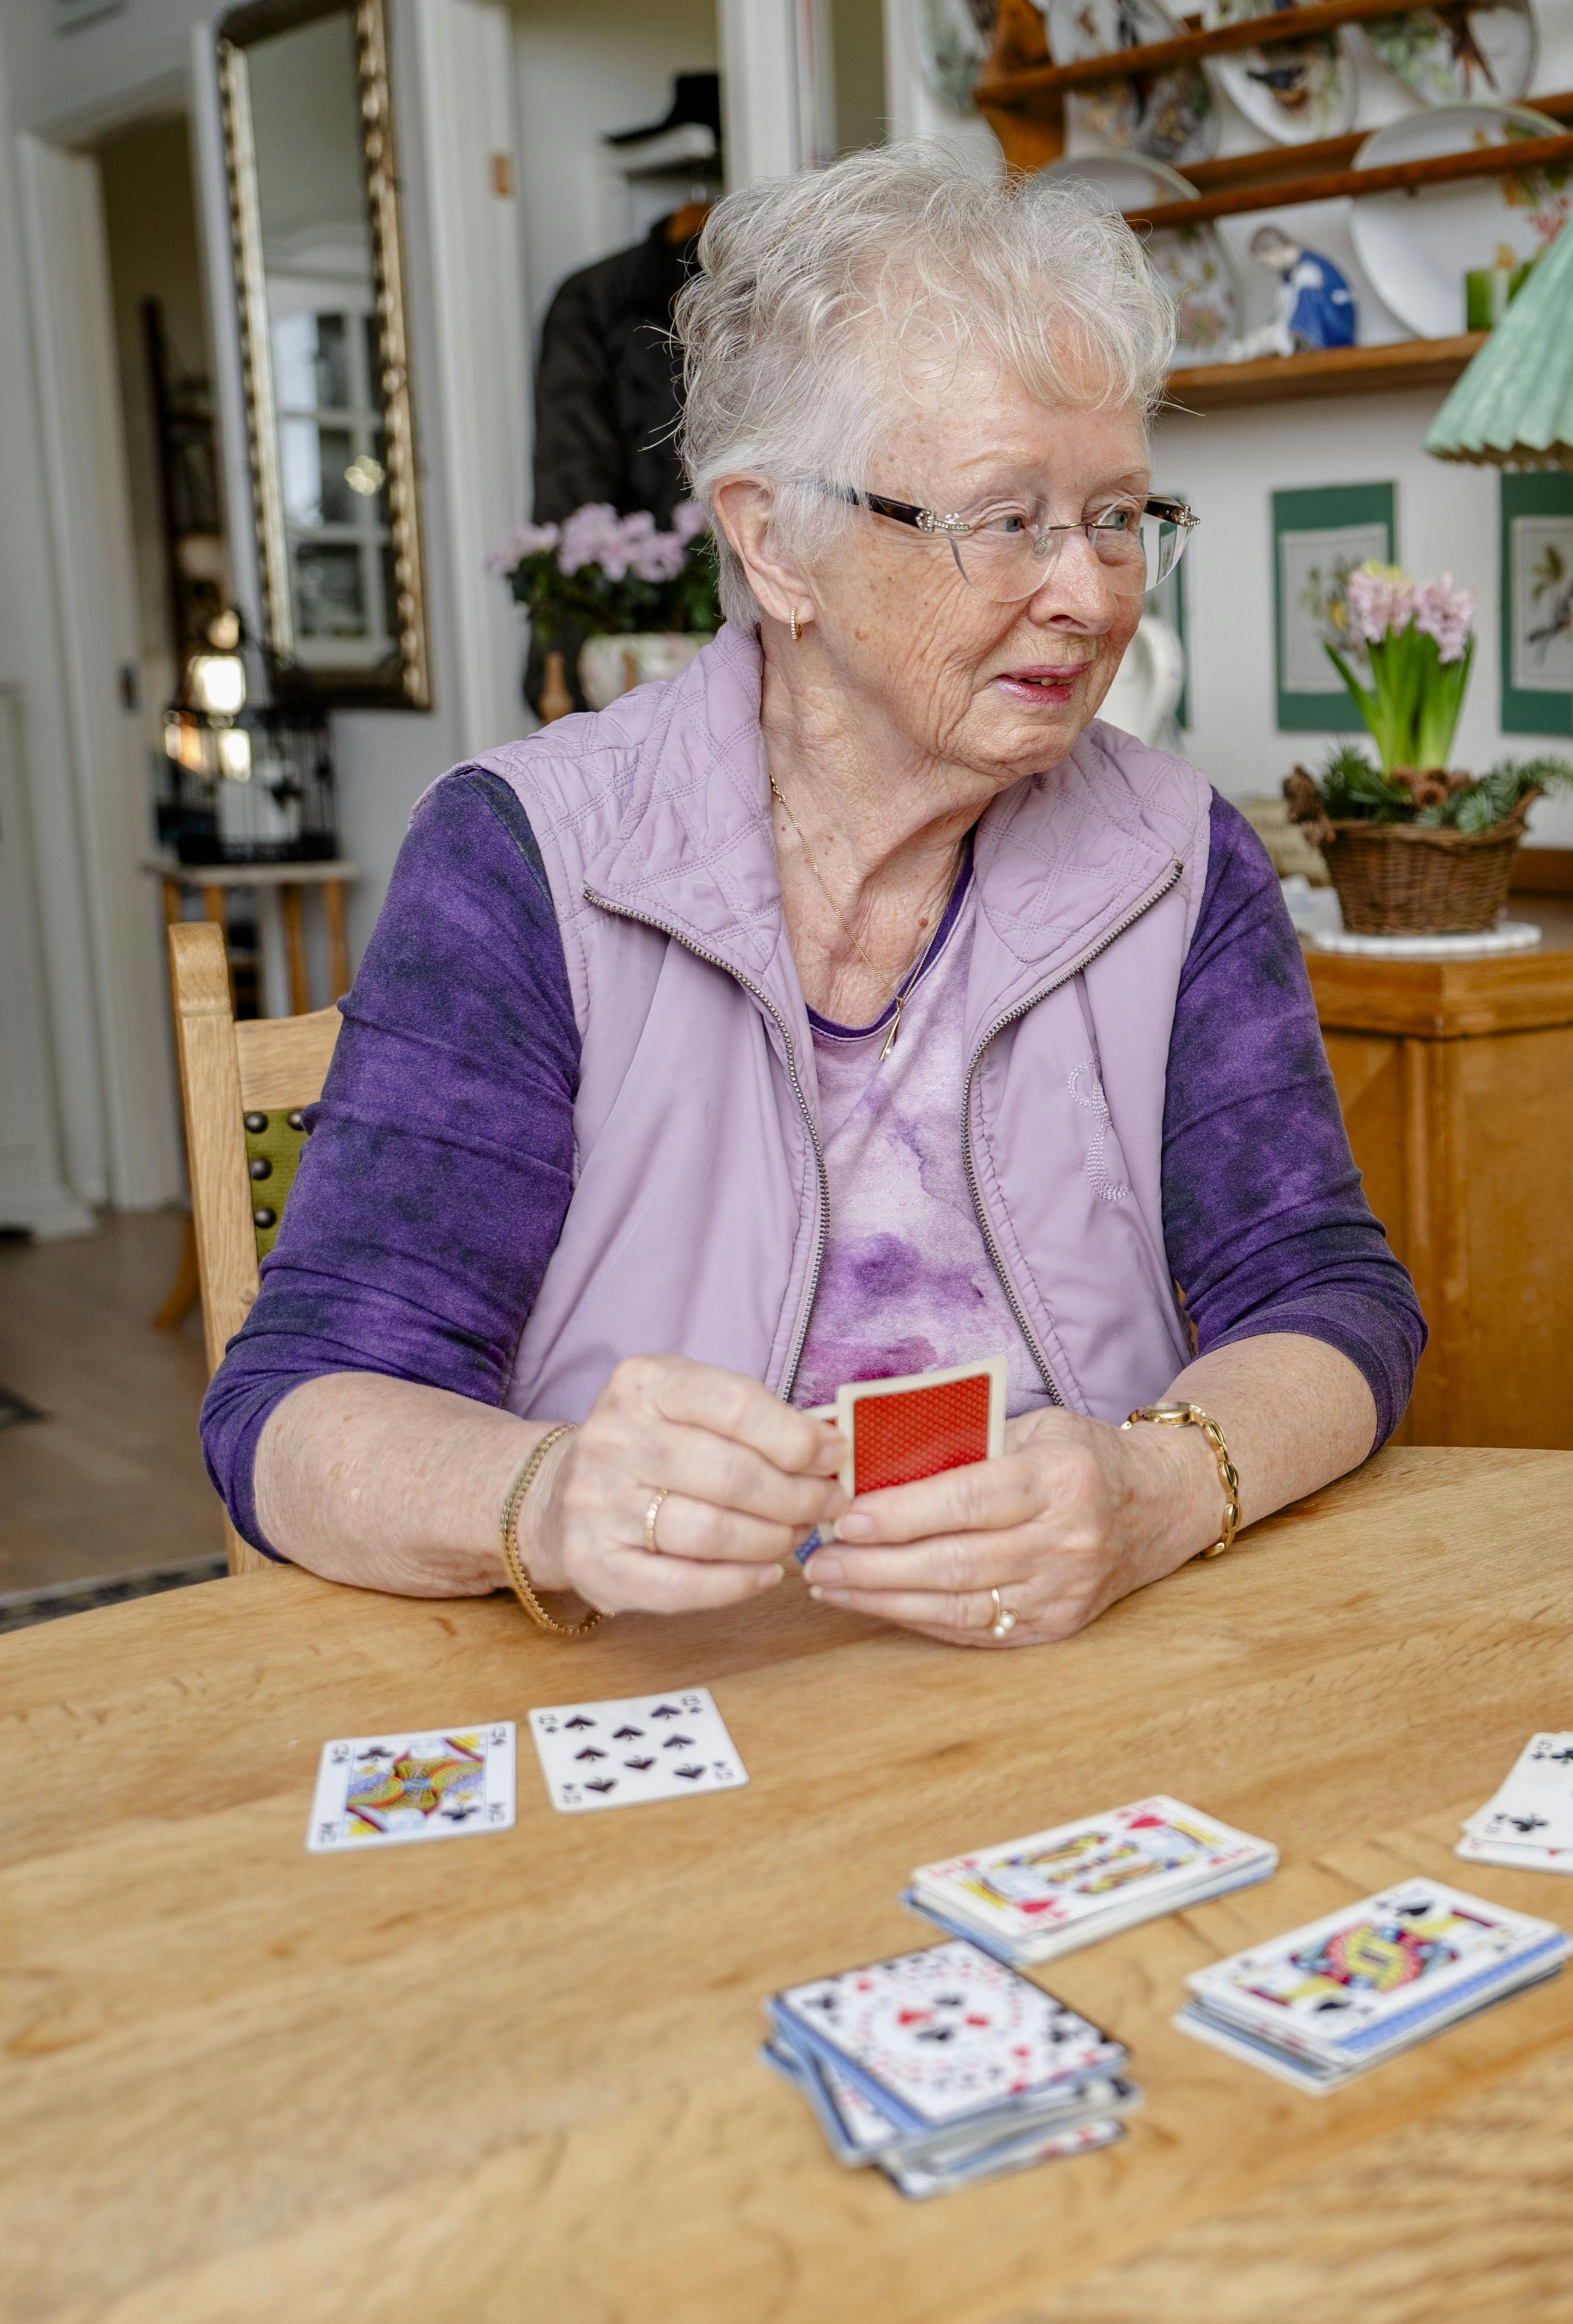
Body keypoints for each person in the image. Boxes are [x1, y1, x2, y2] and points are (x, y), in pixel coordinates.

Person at [202, 149, 1422, 1647]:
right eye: (1006, 517)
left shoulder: (1177, 858)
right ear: (775, 539)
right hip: (657, 1682)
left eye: (1118, 516)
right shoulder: (526, 859)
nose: (1092, 593)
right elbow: (298, 1408)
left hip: (1067, 1670)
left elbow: (1328, 1299)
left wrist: (1155, 1492)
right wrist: (552, 1496)